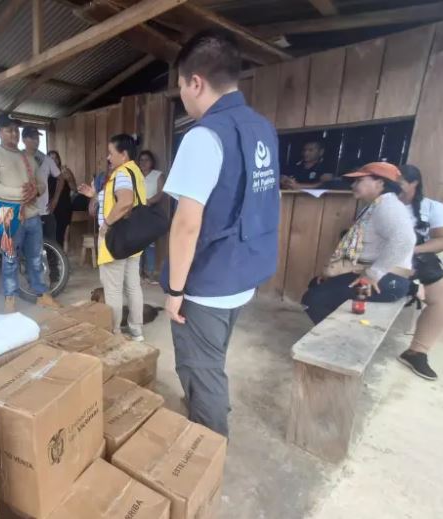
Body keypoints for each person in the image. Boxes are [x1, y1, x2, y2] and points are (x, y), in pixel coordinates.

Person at [161, 32, 280, 437]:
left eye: (180, 87)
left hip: (208, 281)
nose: (182, 96)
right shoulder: (263, 128)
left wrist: (175, 290)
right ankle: (210, 402)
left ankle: (209, 448)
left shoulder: (204, 136)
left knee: (200, 367)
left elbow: (186, 224)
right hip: (244, 272)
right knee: (213, 356)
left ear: (195, 82)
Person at [302, 163, 414, 324]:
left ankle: (340, 337)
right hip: (380, 275)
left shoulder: (388, 206)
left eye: (359, 180)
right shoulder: (378, 204)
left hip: (388, 280)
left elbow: (405, 241)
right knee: (316, 285)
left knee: (314, 299)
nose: (353, 185)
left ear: (380, 183)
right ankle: (339, 332)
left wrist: (372, 275)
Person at [0, 113, 60, 313]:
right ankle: (10, 299)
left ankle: (42, 295)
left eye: (16, 130)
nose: (14, 134)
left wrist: (36, 191)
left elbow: (41, 183)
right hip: (6, 213)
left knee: (36, 258)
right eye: (9, 130)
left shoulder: (27, 157)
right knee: (9, 258)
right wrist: (19, 194)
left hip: (32, 214)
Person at [78, 134, 146, 341]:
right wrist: (95, 195)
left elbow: (125, 201)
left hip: (115, 238)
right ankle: (136, 330)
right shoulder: (135, 172)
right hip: (133, 237)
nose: (108, 158)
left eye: (111, 153)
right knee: (133, 285)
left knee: (113, 289)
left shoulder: (122, 173)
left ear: (123, 154)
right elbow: (119, 199)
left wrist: (106, 224)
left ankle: (114, 332)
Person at [397, 164, 442, 380]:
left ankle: (417, 352)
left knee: (441, 299)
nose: (394, 186)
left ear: (414, 182)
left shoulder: (432, 207)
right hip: (389, 260)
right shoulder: (385, 204)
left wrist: (413, 250)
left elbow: (440, 240)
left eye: (399, 181)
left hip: (419, 257)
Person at [22, 127, 60, 240]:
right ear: (24, 140)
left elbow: (61, 178)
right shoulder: (17, 158)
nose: (36, 141)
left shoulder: (46, 159)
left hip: (44, 211)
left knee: (50, 246)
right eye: (32, 138)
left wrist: (55, 200)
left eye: (37, 138)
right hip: (24, 213)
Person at [137, 149, 165, 282]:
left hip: (150, 211)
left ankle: (150, 272)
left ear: (152, 162)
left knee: (150, 243)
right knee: (137, 243)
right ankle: (138, 273)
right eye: (141, 160)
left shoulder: (157, 175)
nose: (143, 162)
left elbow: (161, 193)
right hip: (136, 211)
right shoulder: (136, 175)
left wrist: (149, 201)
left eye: (146, 160)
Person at [47, 150, 77, 247]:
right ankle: (55, 253)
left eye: (56, 158)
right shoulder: (45, 173)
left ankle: (63, 254)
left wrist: (69, 179)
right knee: (52, 232)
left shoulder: (65, 171)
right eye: (51, 158)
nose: (54, 160)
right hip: (51, 206)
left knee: (64, 233)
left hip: (64, 205)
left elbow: (74, 188)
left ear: (59, 160)